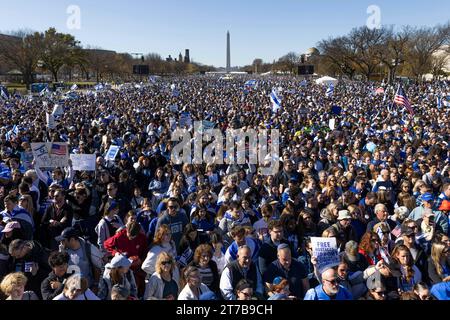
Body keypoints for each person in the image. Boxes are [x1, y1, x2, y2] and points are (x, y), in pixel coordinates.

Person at [103, 220, 148, 296]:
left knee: (139, 287)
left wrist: (141, 260)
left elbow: (146, 251)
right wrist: (116, 253)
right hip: (123, 266)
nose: (130, 238)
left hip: (137, 267)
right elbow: (106, 244)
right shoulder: (120, 235)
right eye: (129, 235)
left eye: (133, 236)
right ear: (126, 230)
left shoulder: (142, 238)